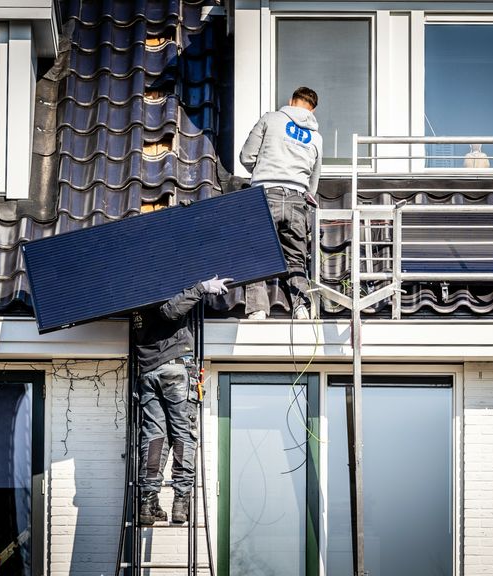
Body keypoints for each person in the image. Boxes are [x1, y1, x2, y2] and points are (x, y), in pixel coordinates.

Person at [132, 275, 232, 524]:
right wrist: (202, 288)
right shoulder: (159, 280)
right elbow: (169, 311)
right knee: (183, 434)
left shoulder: (128, 288)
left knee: (154, 436)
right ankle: (181, 501)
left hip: (147, 371)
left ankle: (148, 502)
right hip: (175, 367)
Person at [239, 86, 324, 320]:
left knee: (257, 251)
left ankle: (258, 309)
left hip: (266, 193)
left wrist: (263, 171)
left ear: (291, 100)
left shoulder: (271, 119)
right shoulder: (316, 137)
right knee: (296, 257)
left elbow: (246, 156)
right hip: (298, 198)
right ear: (313, 110)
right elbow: (313, 181)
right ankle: (301, 307)